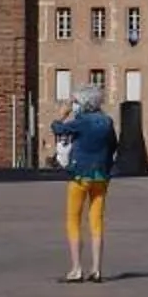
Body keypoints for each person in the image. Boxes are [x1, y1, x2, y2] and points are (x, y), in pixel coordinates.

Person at [50, 94, 120, 284]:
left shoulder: (80, 122)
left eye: (76, 102)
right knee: (96, 220)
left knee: (74, 219)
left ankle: (76, 269)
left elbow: (58, 129)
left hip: (80, 175)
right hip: (101, 176)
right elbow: (114, 145)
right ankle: (96, 269)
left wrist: (61, 115)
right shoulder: (107, 122)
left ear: (83, 104)